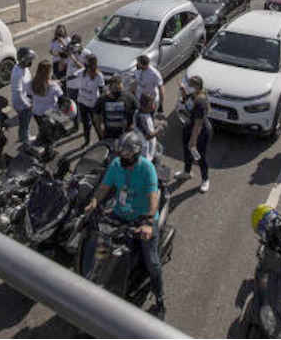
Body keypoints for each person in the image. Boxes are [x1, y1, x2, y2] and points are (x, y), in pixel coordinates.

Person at [84, 131, 166, 318]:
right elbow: (104, 187)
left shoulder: (147, 168)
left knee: (152, 262)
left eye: (127, 155)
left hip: (142, 218)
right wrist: (94, 201)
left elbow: (153, 198)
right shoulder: (116, 165)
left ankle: (160, 298)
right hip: (120, 215)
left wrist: (147, 223)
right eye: (121, 154)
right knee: (101, 249)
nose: (122, 158)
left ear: (136, 154)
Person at [174, 75, 212, 193]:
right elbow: (187, 102)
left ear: (197, 87)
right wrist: (183, 91)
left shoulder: (200, 101)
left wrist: (193, 140)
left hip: (200, 132)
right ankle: (187, 172)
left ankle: (205, 179)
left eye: (190, 85)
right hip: (189, 126)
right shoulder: (193, 95)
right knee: (187, 152)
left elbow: (198, 124)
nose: (188, 87)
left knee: (199, 156)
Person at [27, 59, 63, 137]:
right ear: (49, 72)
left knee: (43, 130)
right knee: (53, 132)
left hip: (37, 112)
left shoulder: (31, 83)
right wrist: (58, 85)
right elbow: (61, 99)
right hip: (51, 112)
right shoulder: (54, 86)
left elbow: (29, 95)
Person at [97, 75, 138, 141]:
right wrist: (99, 129)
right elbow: (96, 115)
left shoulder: (129, 97)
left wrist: (133, 125)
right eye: (115, 88)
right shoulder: (103, 99)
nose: (118, 90)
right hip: (108, 134)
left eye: (120, 88)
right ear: (110, 88)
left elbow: (137, 111)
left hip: (125, 133)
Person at [77, 54, 105, 145]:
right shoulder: (82, 72)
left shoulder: (98, 76)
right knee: (85, 124)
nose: (84, 63)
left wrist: (101, 105)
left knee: (96, 124)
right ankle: (87, 141)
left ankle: (102, 141)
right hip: (82, 101)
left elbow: (101, 91)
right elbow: (72, 76)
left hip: (93, 104)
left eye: (86, 62)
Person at [11, 47, 35, 144]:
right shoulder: (18, 74)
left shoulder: (24, 68)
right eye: (29, 59)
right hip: (21, 103)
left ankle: (23, 137)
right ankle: (26, 140)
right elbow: (18, 92)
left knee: (24, 122)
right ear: (23, 60)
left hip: (26, 97)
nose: (31, 61)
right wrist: (27, 104)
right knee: (25, 122)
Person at [134, 93, 164, 162]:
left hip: (150, 150)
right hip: (145, 154)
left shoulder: (144, 112)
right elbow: (148, 136)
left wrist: (159, 123)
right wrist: (159, 129)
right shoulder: (141, 118)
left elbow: (149, 123)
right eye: (151, 104)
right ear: (144, 106)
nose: (154, 106)